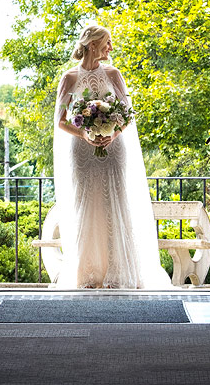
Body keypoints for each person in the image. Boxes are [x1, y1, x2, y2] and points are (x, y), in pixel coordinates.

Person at [52, 23, 171, 289]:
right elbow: (60, 121)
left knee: (114, 201)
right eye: (107, 42)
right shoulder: (69, 78)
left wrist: (113, 134)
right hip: (82, 149)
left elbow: (128, 115)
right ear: (92, 44)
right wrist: (84, 134)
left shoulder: (114, 74)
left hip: (114, 148)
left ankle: (118, 271)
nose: (111, 47)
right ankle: (88, 273)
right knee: (87, 203)